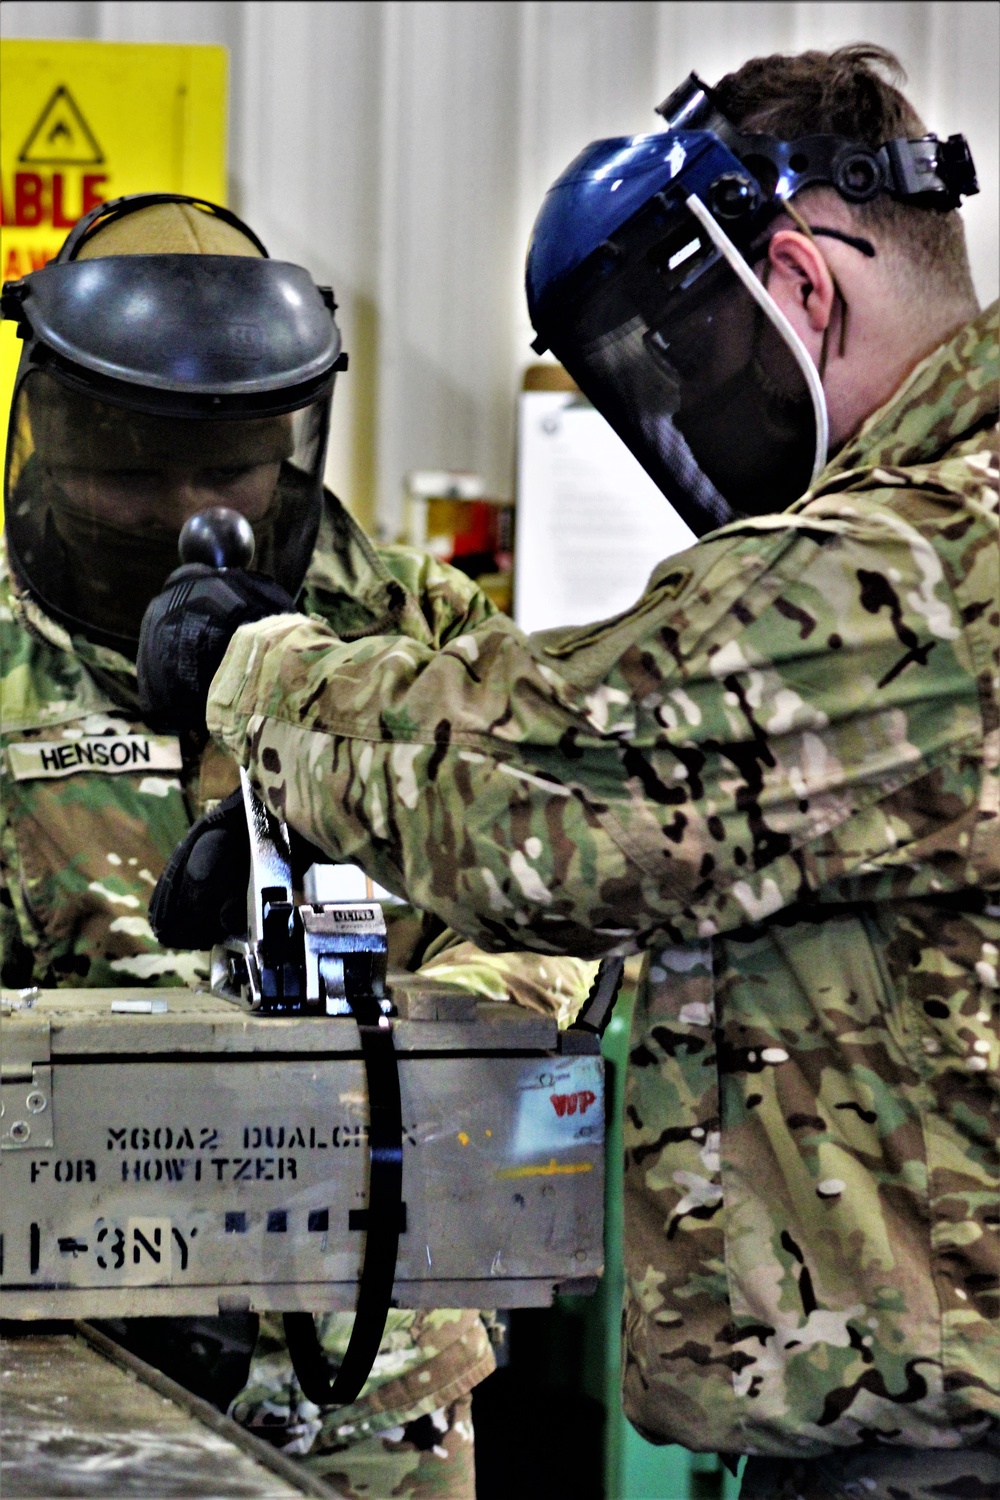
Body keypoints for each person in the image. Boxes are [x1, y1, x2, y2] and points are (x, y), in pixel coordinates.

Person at [135, 45, 999, 1500]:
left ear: (799, 284)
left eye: (695, 359)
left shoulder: (907, 566)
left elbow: (557, 789)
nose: (686, 416)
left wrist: (254, 672)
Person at [0, 192, 597, 1500]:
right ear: (52, 428)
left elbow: (554, 887)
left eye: (226, 468)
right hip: (69, 1358)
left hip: (383, 1356)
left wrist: (390, 1052)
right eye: (133, 467)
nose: (184, 511)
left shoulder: (405, 629)